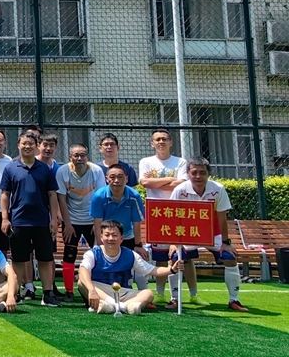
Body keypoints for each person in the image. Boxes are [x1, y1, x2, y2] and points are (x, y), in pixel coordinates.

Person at [168, 157, 248, 312]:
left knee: (229, 258)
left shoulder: (218, 189)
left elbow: (222, 218)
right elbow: (172, 217)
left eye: (202, 172)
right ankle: (175, 299)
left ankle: (234, 300)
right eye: (194, 172)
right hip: (188, 234)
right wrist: (173, 243)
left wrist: (226, 242)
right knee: (175, 257)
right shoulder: (180, 190)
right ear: (188, 173)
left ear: (208, 173)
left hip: (212, 234)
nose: (198, 176)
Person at [0, 132, 61, 306]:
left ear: (36, 146)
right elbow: (5, 194)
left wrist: (53, 219)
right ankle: (15, 292)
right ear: (18, 145)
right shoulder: (10, 168)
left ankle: (47, 293)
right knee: (18, 259)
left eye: (31, 144)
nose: (27, 146)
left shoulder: (45, 169)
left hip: (42, 221)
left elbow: (52, 195)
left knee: (45, 258)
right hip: (19, 221)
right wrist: (5, 218)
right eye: (24, 143)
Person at [79, 220, 181, 315]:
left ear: (121, 238)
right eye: (107, 235)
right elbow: (83, 270)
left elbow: (152, 270)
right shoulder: (93, 253)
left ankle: (113, 307)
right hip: (100, 291)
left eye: (114, 235)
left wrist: (172, 269)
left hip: (123, 293)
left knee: (148, 293)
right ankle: (123, 307)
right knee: (81, 283)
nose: (110, 238)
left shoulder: (130, 255)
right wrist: (92, 290)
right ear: (101, 237)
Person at [139, 128, 188, 303]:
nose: (161, 142)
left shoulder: (180, 162)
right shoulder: (146, 161)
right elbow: (144, 182)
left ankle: (176, 296)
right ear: (152, 143)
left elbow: (181, 184)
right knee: (160, 256)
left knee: (176, 255)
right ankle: (160, 293)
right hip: (156, 213)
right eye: (158, 139)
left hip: (176, 212)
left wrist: (156, 183)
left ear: (171, 142)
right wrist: (170, 180)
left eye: (164, 139)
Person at [55, 144, 106, 302]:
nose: (79, 158)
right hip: (72, 220)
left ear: (87, 157)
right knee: (69, 255)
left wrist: (97, 224)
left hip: (92, 220)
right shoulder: (63, 171)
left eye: (82, 155)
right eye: (76, 155)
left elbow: (100, 198)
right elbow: (61, 199)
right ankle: (69, 291)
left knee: (98, 254)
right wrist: (68, 224)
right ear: (71, 157)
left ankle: (99, 288)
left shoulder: (96, 171)